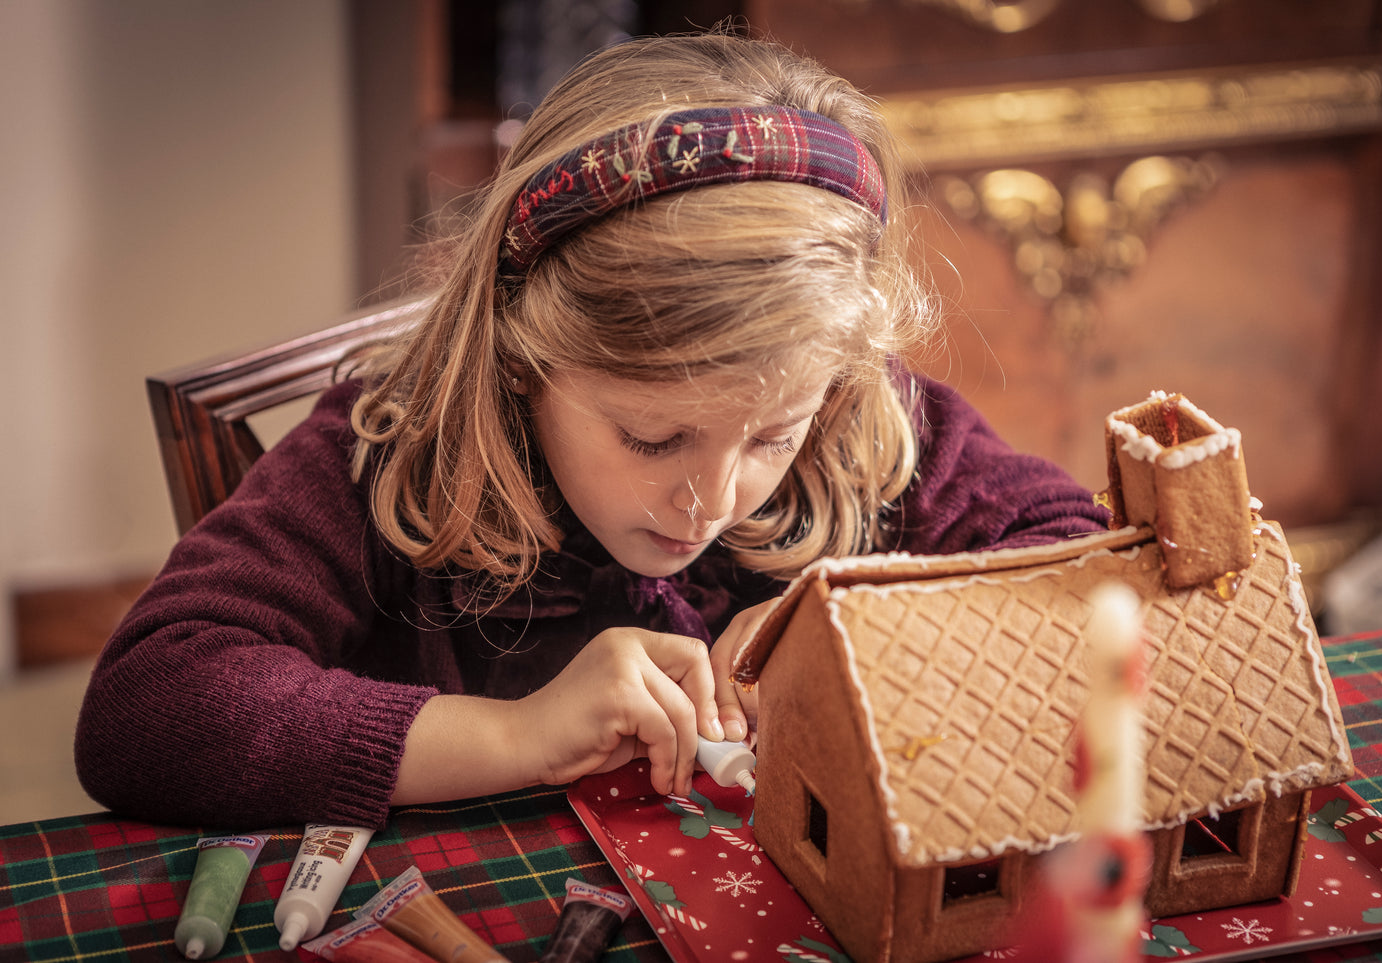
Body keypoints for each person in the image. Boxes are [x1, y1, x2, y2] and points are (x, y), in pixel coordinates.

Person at [75, 29, 1108, 831]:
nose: (707, 501)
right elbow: (147, 709)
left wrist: (865, 630)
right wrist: (515, 735)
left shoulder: (856, 413)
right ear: (522, 361)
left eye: (765, 439)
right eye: (652, 439)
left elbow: (1088, 574)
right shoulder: (388, 447)